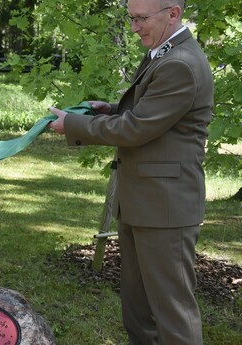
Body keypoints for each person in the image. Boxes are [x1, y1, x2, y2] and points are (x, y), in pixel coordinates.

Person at [48, 0, 213, 344]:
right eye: (131, 18)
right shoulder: (165, 53)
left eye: (140, 19)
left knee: (173, 315)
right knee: (137, 312)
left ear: (173, 13)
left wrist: (74, 125)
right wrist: (106, 109)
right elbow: (148, 112)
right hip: (144, 202)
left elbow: (136, 128)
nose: (134, 27)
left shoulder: (180, 63)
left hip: (164, 208)